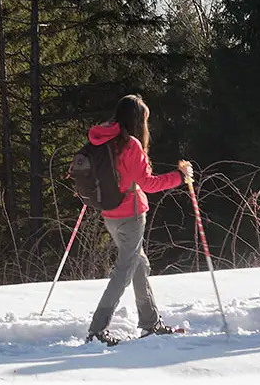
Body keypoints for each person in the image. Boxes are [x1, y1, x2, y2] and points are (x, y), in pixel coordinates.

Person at [85, 94, 193, 345]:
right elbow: (148, 183)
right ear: (136, 120)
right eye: (144, 119)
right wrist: (179, 176)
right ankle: (98, 329)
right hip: (130, 215)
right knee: (124, 271)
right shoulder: (129, 145)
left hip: (110, 215)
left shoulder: (103, 140)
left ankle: (150, 323)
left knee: (139, 266)